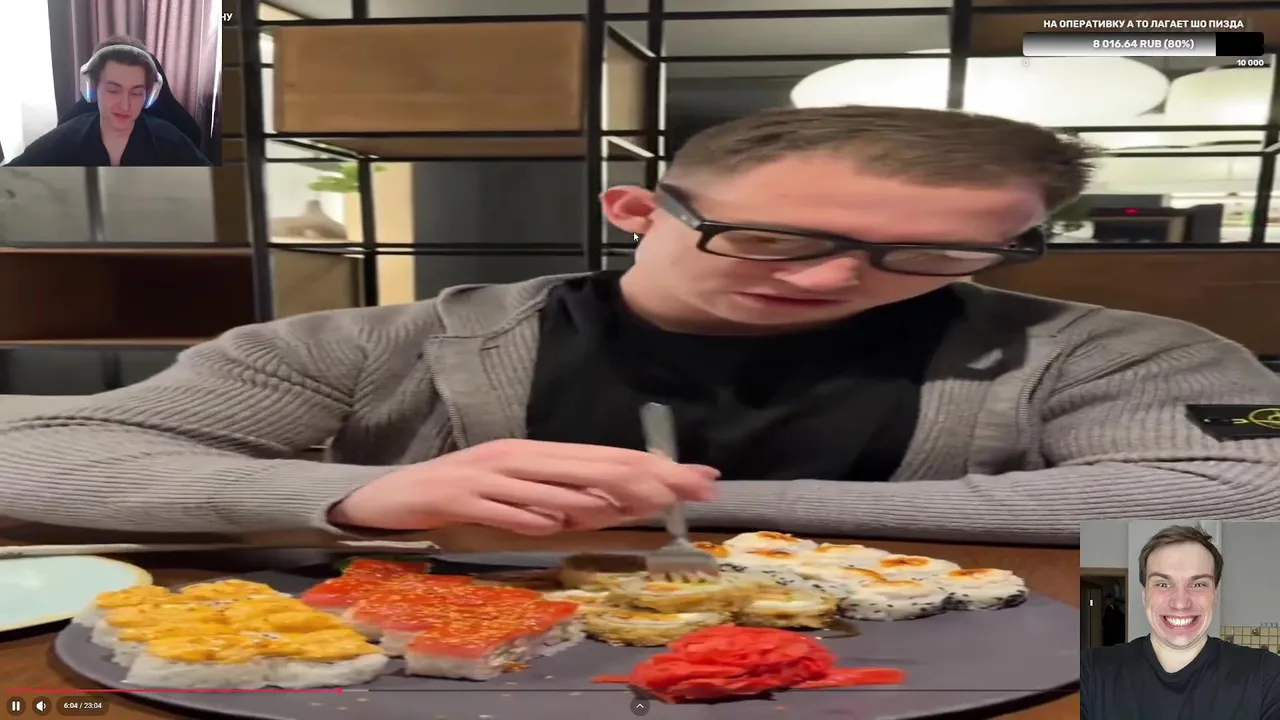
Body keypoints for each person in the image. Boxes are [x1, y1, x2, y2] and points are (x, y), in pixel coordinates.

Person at [0, 106, 1278, 541]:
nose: (833, 281)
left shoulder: (1120, 351)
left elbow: (1242, 494)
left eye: (932, 254)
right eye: (775, 238)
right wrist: (351, 498)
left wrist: (664, 504)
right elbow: (36, 455)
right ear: (633, 208)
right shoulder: (367, 348)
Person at [1080, 525, 1280, 719]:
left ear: (1215, 595)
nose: (1180, 603)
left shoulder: (1266, 675)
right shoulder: (1089, 672)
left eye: (1198, 584)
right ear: (1144, 595)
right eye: (1163, 584)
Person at [5, 36, 210, 167]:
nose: (125, 105)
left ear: (150, 96)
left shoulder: (169, 140)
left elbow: (214, 186)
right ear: (92, 89)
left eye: (136, 93)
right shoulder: (66, 137)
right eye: (113, 90)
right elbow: (12, 176)